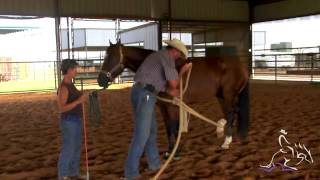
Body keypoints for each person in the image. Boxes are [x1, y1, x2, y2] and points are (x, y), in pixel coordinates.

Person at [124, 39, 190, 179]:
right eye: (180, 55)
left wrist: (167, 90)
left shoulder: (158, 56)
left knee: (151, 131)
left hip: (141, 91)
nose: (179, 58)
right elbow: (174, 84)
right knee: (142, 135)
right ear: (175, 51)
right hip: (146, 95)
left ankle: (154, 163)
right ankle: (130, 173)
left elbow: (151, 82)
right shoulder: (167, 58)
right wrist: (182, 72)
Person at [57, 59, 87, 180]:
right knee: (68, 148)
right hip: (69, 121)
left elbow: (74, 98)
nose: (76, 71)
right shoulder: (64, 87)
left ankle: (73, 173)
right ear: (69, 70)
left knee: (76, 147)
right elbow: (62, 108)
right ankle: (63, 175)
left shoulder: (70, 84)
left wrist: (82, 95)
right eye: (75, 69)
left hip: (75, 120)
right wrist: (79, 101)